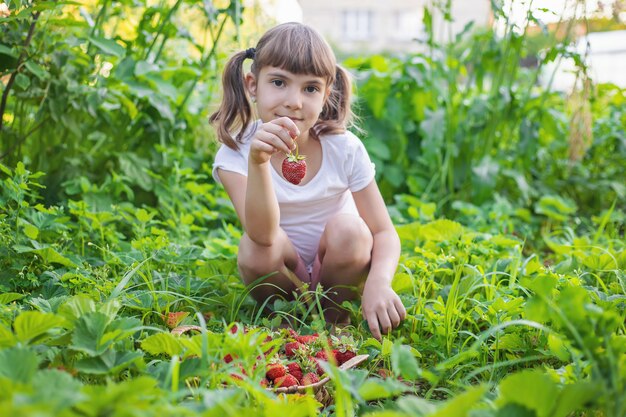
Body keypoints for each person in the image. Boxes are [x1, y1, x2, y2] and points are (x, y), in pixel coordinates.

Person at [209, 22, 405, 340]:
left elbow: (383, 231)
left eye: (310, 88)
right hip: (281, 273)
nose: (294, 101)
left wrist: (378, 282)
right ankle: (287, 321)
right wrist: (258, 162)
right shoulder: (237, 149)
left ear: (326, 95)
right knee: (252, 249)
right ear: (253, 85)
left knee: (352, 232)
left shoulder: (343, 148)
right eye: (279, 82)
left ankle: (332, 321)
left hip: (338, 269)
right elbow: (262, 234)